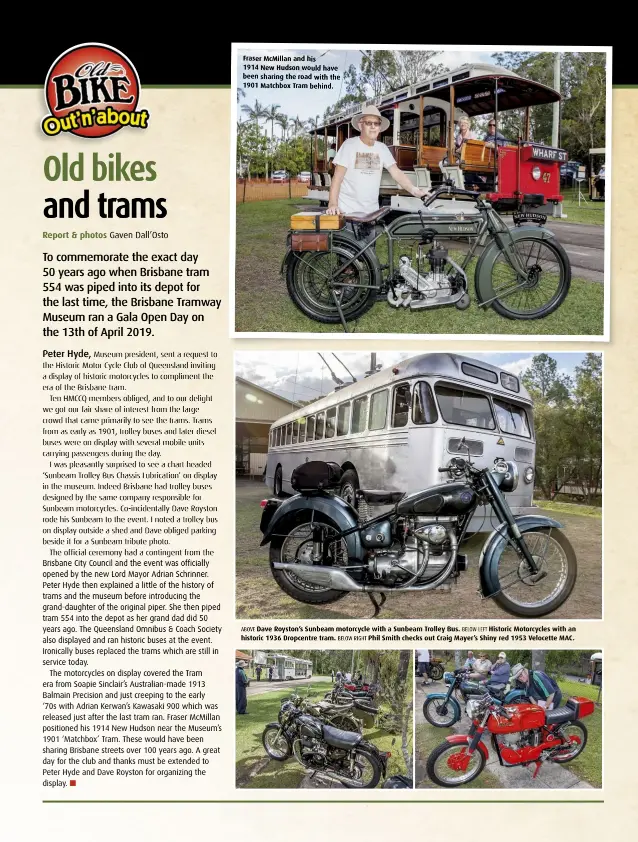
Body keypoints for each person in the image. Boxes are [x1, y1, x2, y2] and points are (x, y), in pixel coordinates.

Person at [326, 105, 430, 218]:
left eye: (376, 123)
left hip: (371, 213)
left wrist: (415, 191)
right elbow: (337, 178)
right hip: (347, 212)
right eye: (368, 123)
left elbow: (396, 172)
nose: (373, 127)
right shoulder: (349, 145)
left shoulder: (382, 148)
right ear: (361, 125)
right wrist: (332, 204)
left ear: (379, 128)